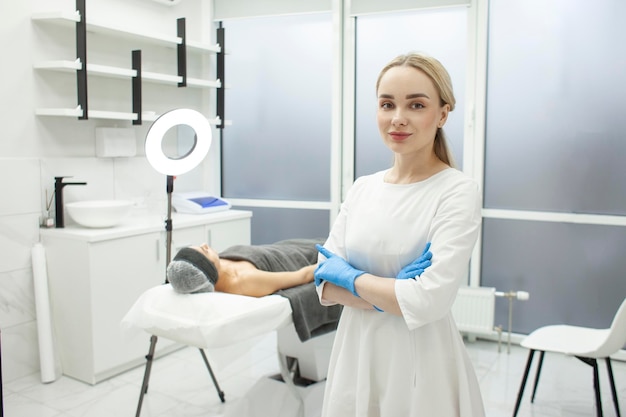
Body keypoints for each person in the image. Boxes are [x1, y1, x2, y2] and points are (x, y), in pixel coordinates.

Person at [314, 52, 485, 416]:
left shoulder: (456, 191)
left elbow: (430, 301)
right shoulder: (363, 187)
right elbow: (322, 282)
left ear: (442, 114)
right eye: (387, 104)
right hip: (356, 353)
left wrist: (351, 278)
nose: (398, 118)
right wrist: (392, 292)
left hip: (420, 361)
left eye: (416, 105)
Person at [167, 238, 323, 297]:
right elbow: (303, 276)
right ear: (209, 268)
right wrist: (329, 262)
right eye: (204, 250)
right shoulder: (245, 281)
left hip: (286, 246)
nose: (205, 245)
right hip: (305, 256)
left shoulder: (219, 264)